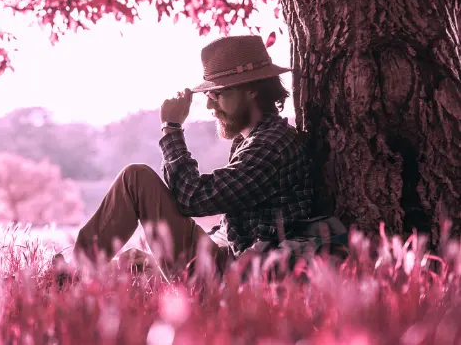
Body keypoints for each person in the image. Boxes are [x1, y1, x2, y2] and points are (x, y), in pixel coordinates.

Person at [64, 34, 332, 277]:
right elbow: (230, 226)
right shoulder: (253, 140)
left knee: (136, 179)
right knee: (130, 263)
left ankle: (72, 275)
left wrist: (172, 129)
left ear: (251, 89)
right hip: (231, 263)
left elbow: (192, 198)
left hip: (240, 278)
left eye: (217, 94)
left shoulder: (271, 145)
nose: (209, 105)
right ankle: (75, 274)